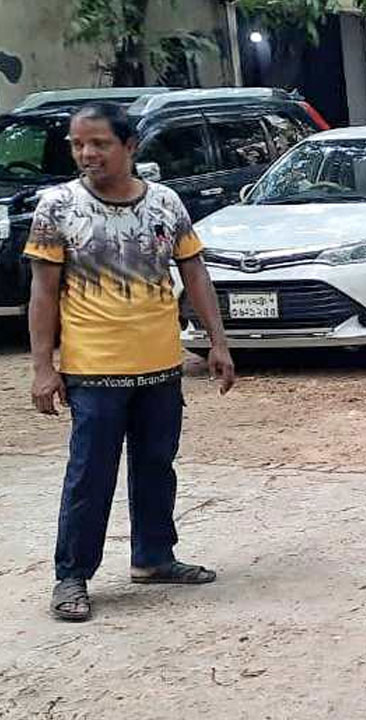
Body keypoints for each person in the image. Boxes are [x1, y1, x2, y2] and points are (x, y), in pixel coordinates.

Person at [25, 102, 235, 622]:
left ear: (130, 147)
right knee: (89, 475)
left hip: (161, 365)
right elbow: (43, 293)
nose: (86, 153)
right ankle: (71, 576)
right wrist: (42, 367)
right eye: (78, 144)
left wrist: (218, 342)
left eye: (98, 143)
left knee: (156, 467)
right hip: (93, 370)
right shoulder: (57, 207)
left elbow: (196, 273)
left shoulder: (164, 202)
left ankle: (154, 557)